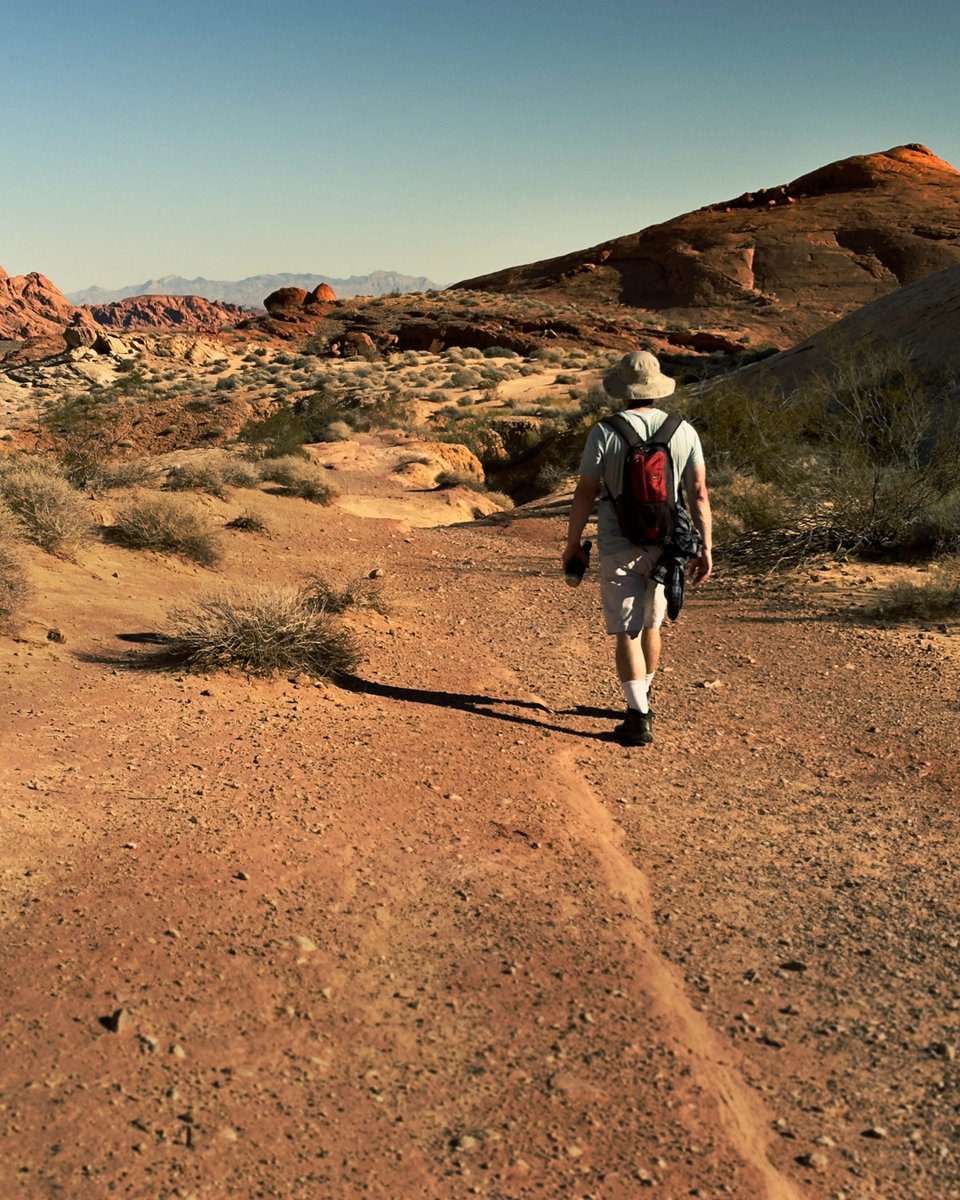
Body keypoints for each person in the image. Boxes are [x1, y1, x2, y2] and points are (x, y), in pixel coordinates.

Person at [562, 350, 712, 745]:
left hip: (617, 542)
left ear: (623, 391)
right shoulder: (683, 431)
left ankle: (638, 715)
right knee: (651, 624)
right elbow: (698, 495)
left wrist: (573, 541)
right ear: (657, 388)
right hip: (667, 545)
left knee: (626, 631)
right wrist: (706, 547)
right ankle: (644, 697)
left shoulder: (605, 430)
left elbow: (585, 492)